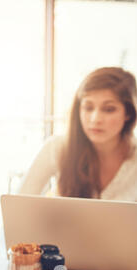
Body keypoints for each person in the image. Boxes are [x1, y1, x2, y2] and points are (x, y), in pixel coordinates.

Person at [19, 67, 137, 201]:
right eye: (88, 107)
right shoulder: (57, 147)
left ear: (128, 113)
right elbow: (19, 203)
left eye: (109, 109)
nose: (95, 119)